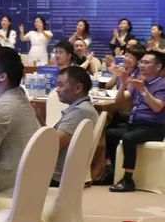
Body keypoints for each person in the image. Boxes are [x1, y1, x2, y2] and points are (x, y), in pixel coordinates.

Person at [0, 47, 40, 194]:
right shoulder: (21, 98)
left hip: (4, 183)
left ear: (2, 77)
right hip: (27, 178)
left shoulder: (3, 108)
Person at [106, 51, 165, 192]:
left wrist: (143, 90)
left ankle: (128, 180)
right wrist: (123, 84)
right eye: (141, 62)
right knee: (110, 133)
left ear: (158, 67)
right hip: (135, 124)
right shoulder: (141, 82)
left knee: (128, 138)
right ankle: (114, 172)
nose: (142, 65)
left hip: (154, 127)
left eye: (146, 62)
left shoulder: (162, 84)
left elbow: (157, 107)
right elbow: (119, 101)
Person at [52, 66, 99, 186]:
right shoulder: (83, 108)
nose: (57, 90)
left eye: (61, 85)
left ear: (78, 88)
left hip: (55, 176)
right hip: (62, 173)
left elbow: (53, 145)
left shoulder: (80, 111)